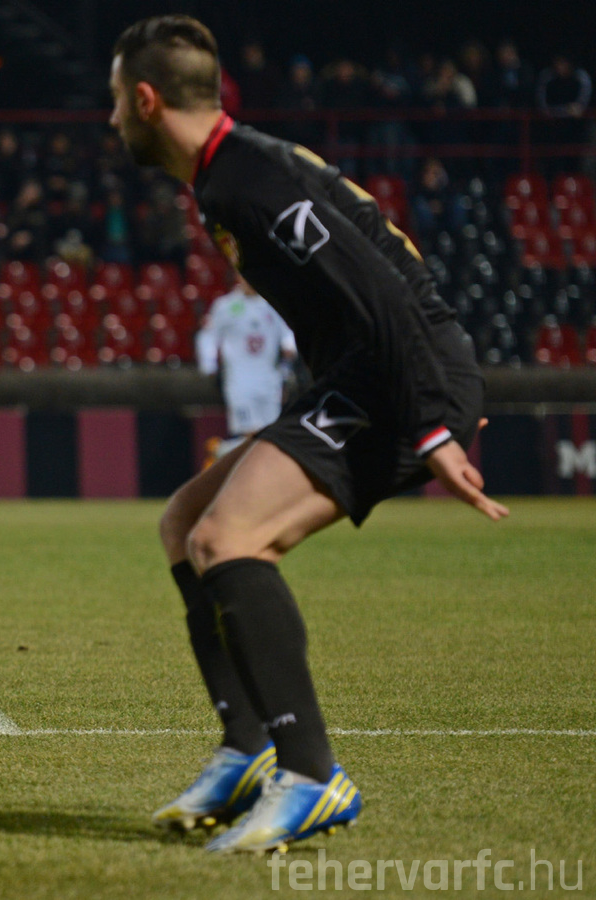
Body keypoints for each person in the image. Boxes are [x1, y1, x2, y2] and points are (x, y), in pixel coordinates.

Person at [108, 15, 506, 855]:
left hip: (402, 375)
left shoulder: (247, 178)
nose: (111, 120)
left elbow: (381, 293)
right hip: (363, 374)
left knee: (228, 538)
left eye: (114, 102)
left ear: (146, 100)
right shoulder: (228, 173)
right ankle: (246, 747)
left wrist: (431, 424)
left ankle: (311, 772)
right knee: (186, 522)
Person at [195, 275, 296, 457]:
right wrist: (208, 364)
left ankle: (221, 451)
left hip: (269, 380)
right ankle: (224, 455)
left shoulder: (273, 305)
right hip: (240, 381)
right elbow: (209, 335)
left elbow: (287, 332)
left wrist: (289, 347)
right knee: (251, 433)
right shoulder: (226, 306)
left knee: (269, 435)